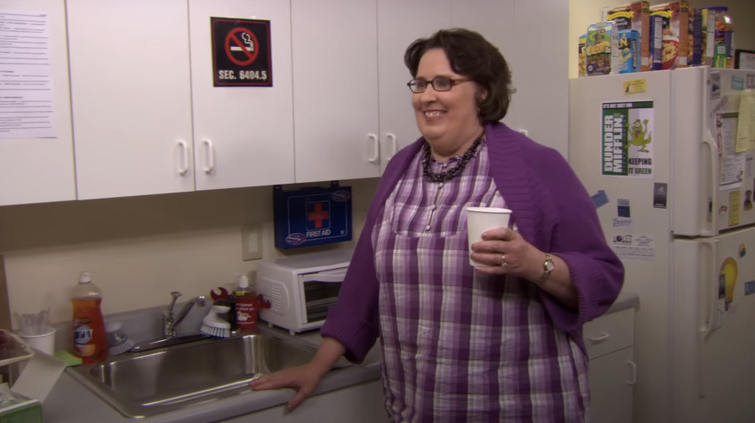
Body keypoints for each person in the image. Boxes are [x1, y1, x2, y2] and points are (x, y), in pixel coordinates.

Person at [251, 28, 624, 422]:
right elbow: (365, 283)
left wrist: (534, 264)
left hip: (518, 405)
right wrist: (316, 365)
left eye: (444, 82)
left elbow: (603, 277)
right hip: (420, 405)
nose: (427, 96)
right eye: (421, 83)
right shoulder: (400, 169)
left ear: (483, 91)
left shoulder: (536, 165)